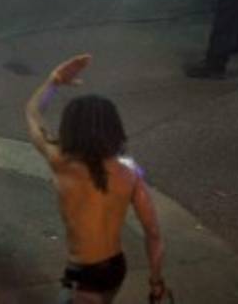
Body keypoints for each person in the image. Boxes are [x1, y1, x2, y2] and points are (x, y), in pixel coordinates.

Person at [24, 54, 167, 303]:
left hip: (83, 274)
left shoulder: (61, 162)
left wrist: (53, 82)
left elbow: (32, 113)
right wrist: (156, 282)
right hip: (115, 268)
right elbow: (153, 233)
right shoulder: (129, 172)